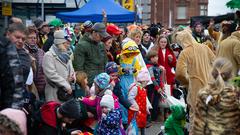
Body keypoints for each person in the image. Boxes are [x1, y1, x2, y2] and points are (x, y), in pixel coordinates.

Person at [174, 29, 215, 133]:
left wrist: (187, 81)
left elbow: (179, 73)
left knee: (195, 118)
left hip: (195, 89)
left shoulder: (185, 52)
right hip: (210, 87)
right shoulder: (205, 48)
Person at [193, 58, 240, 134]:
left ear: (212, 73)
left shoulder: (204, 94)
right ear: (231, 75)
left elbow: (199, 126)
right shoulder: (236, 94)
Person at [42, 30, 75, 102]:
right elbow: (51, 74)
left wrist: (73, 77)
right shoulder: (49, 55)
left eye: (69, 43)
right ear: (60, 43)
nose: (68, 45)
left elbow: (71, 69)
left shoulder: (67, 54)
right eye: (66, 43)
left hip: (66, 93)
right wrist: (66, 84)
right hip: (54, 92)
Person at [118, 40, 141, 125]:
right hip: (122, 81)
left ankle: (129, 118)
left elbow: (138, 71)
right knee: (122, 98)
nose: (131, 54)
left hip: (131, 82)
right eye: (129, 52)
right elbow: (117, 70)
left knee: (130, 99)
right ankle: (123, 119)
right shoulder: (120, 58)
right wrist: (123, 70)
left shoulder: (134, 60)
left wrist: (134, 70)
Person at [24, 26, 46, 100]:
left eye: (35, 38)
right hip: (28, 88)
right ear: (25, 38)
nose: (33, 40)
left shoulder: (41, 51)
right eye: (30, 38)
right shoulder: (23, 51)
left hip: (42, 87)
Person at [128, 68, 152, 135]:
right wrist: (135, 105)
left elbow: (145, 99)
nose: (147, 84)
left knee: (142, 125)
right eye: (146, 82)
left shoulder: (143, 89)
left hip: (142, 111)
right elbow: (130, 98)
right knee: (134, 126)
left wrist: (147, 108)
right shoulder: (135, 88)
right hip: (135, 111)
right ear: (142, 81)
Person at [145, 51, 164, 122]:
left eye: (157, 57)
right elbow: (152, 78)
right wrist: (158, 87)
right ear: (151, 58)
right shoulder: (149, 67)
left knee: (156, 103)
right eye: (154, 57)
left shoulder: (157, 66)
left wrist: (161, 86)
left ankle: (154, 117)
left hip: (157, 88)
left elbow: (160, 78)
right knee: (151, 102)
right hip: (152, 88)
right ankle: (150, 118)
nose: (157, 58)